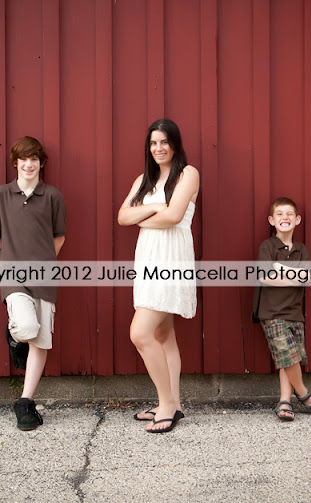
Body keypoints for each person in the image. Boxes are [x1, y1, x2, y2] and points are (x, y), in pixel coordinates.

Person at [118, 119, 199, 433]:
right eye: (153, 143)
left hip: (171, 259)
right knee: (164, 335)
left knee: (140, 333)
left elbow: (174, 216)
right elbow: (123, 216)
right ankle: (173, 403)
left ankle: (166, 405)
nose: (158, 148)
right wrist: (155, 209)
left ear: (175, 143)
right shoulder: (144, 180)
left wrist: (143, 216)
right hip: (148, 260)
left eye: (164, 141)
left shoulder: (188, 174)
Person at [0, 136, 66, 431]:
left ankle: (25, 402)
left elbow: (59, 237)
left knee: (41, 340)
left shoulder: (53, 196)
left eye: (34, 159)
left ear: (41, 163)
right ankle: (15, 336)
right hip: (13, 276)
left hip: (45, 277)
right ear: (15, 163)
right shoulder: (1, 195)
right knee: (27, 328)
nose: (29, 164)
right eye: (23, 159)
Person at [251, 197, 311, 421]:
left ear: (298, 219)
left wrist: (280, 268)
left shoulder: (302, 250)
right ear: (271, 220)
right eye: (280, 214)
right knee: (289, 357)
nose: (285, 217)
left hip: (294, 312)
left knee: (289, 358)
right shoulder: (268, 246)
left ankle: (285, 401)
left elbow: (307, 278)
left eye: (289, 214)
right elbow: (266, 277)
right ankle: (304, 395)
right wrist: (294, 276)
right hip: (272, 313)